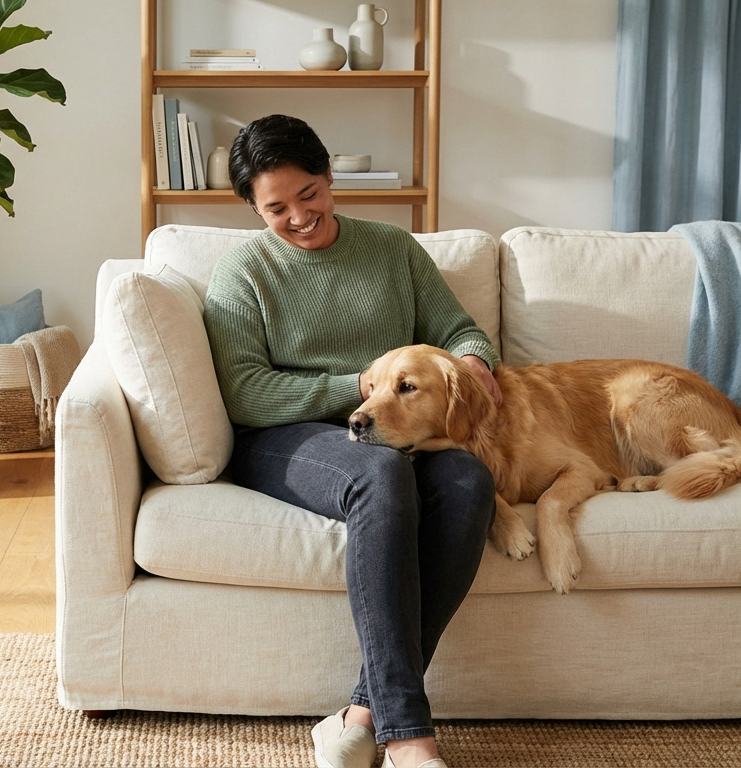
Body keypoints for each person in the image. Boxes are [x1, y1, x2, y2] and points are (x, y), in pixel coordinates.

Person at [201, 114, 501, 768]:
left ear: (330, 176)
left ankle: (361, 712)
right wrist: (358, 385)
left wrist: (474, 363)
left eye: (310, 195)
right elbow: (247, 393)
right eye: (276, 208)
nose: (300, 217)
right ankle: (408, 738)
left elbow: (463, 332)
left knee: (470, 480)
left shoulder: (392, 250)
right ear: (254, 208)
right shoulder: (242, 273)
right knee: (380, 474)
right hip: (284, 438)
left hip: (392, 428)